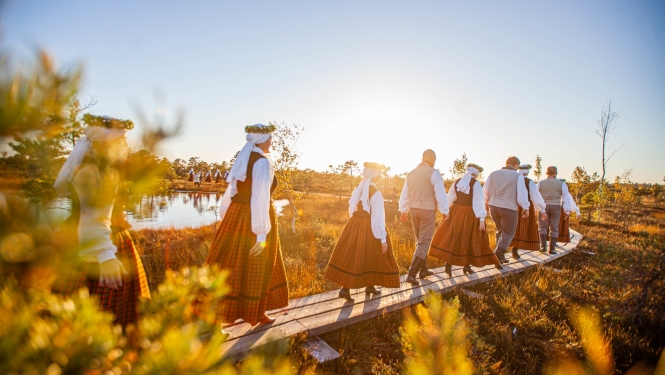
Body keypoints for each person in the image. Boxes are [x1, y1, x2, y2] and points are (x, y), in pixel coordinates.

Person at [52, 115, 150, 328]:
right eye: (120, 141)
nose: (125, 145)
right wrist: (106, 255)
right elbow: (93, 215)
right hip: (100, 243)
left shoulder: (95, 167)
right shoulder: (96, 171)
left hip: (87, 239)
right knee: (104, 313)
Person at [205, 124, 288, 326]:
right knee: (256, 264)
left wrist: (226, 215)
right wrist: (261, 235)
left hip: (238, 213)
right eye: (269, 139)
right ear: (262, 140)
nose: (271, 142)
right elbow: (259, 197)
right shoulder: (261, 162)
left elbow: (231, 192)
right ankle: (226, 316)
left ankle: (256, 313)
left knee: (231, 264)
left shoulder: (245, 158)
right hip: (253, 217)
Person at [324, 162, 400, 302]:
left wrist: (356, 224)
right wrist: (382, 239)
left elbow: (351, 209)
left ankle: (362, 287)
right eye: (379, 175)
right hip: (369, 227)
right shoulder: (375, 193)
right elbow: (377, 218)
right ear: (375, 176)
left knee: (357, 255)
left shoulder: (359, 189)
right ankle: (348, 289)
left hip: (355, 224)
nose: (380, 177)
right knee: (370, 254)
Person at [429, 164, 502, 277]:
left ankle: (449, 265)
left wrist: (446, 211)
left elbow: (450, 197)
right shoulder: (475, 183)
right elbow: (478, 201)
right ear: (476, 174)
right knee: (469, 238)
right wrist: (482, 219)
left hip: (456, 212)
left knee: (454, 237)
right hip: (469, 214)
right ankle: (466, 266)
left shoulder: (457, 182)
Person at [399, 149, 448, 285]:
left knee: (420, 239)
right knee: (424, 241)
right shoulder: (434, 173)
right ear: (431, 158)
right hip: (427, 210)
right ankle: (411, 274)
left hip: (414, 209)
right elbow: (440, 194)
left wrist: (403, 210)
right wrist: (445, 211)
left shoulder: (411, 174)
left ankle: (424, 270)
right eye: (435, 160)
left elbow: (405, 193)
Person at [483, 156, 531, 264]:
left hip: (493, 207)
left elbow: (485, 191)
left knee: (500, 230)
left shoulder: (493, 174)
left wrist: (485, 204)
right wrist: (526, 208)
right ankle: (498, 254)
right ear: (516, 165)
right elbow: (522, 195)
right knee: (509, 233)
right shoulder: (518, 176)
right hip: (509, 207)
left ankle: (501, 256)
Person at [509, 164, 547, 258]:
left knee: (514, 227)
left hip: (512, 205)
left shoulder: (513, 180)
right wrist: (542, 209)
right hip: (525, 207)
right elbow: (535, 196)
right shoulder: (529, 182)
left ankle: (512, 248)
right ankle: (515, 249)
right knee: (522, 226)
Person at [536, 167, 572, 254]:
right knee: (554, 227)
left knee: (542, 226)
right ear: (556, 173)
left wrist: (538, 208)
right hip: (556, 206)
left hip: (543, 206)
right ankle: (552, 249)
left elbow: (536, 196)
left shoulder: (540, 183)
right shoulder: (562, 184)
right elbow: (565, 198)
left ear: (546, 173)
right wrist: (567, 211)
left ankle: (543, 246)